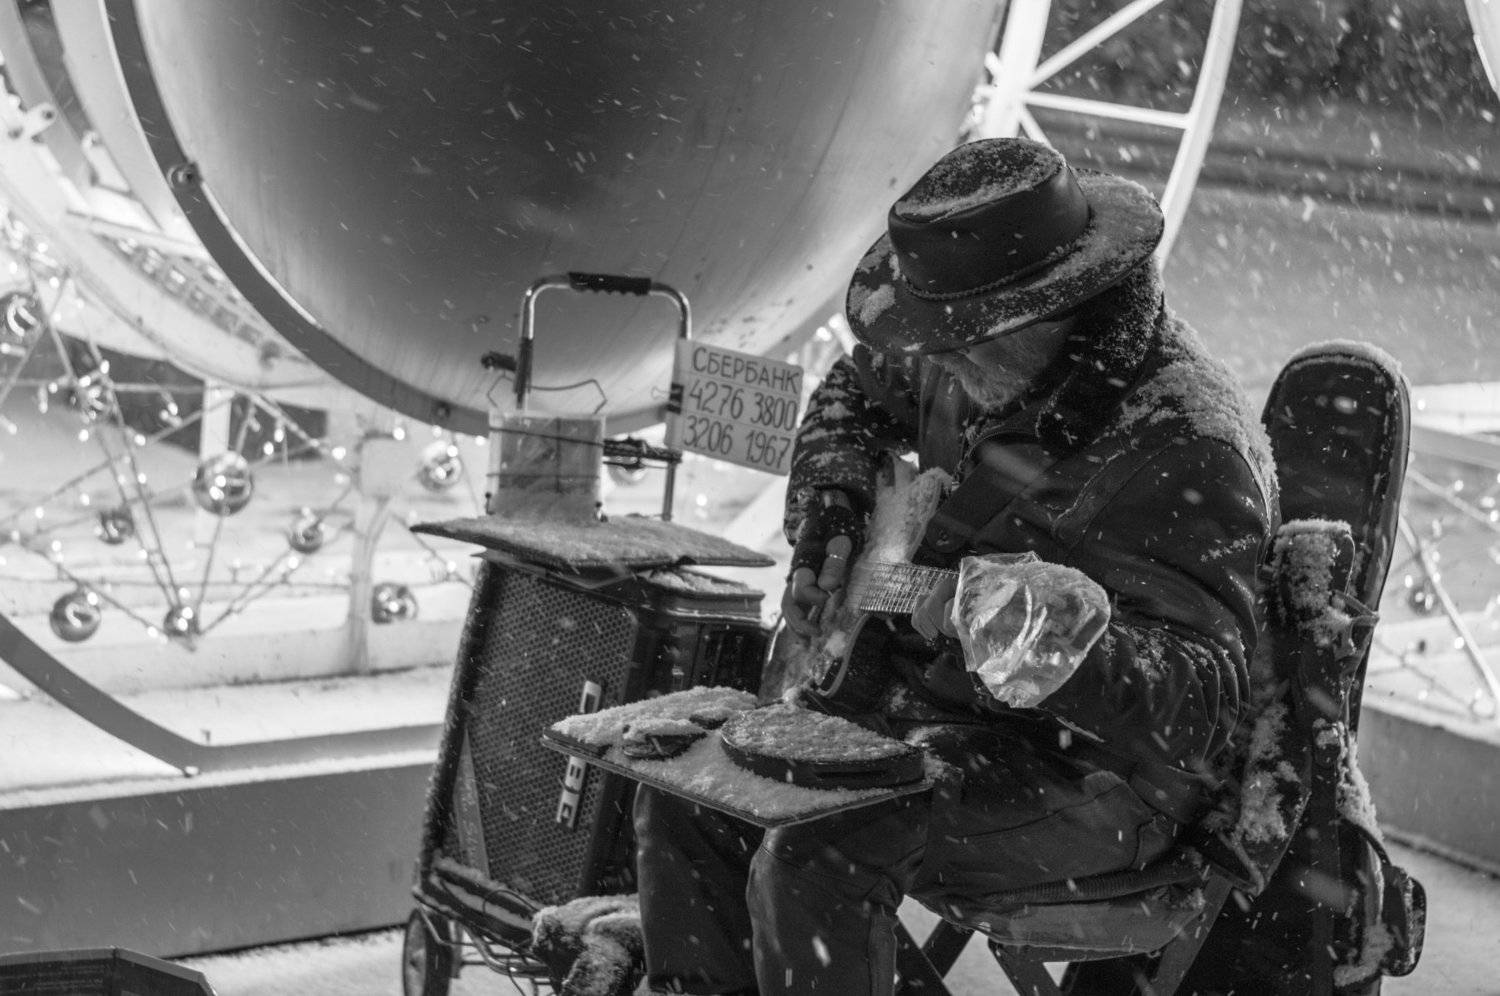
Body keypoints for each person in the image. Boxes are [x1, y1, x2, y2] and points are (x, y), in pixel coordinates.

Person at [632, 137, 1277, 996]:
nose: (934, 365)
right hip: (923, 713)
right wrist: (833, 508)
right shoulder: (972, 350)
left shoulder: (1186, 449)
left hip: (1096, 781)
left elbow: (1204, 706)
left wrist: (1046, 639)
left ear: (1056, 305)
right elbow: (852, 392)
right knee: (688, 798)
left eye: (958, 343)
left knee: (819, 855)